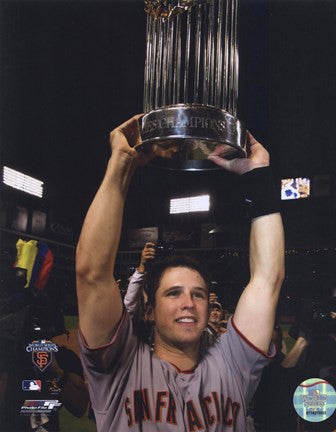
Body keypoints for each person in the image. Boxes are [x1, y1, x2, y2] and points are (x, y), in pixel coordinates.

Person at [75, 115, 285, 431]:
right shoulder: (120, 367)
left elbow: (268, 279)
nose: (188, 303)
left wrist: (258, 176)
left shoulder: (233, 364)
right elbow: (92, 273)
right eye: (173, 293)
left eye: (197, 294)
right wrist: (121, 162)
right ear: (148, 310)